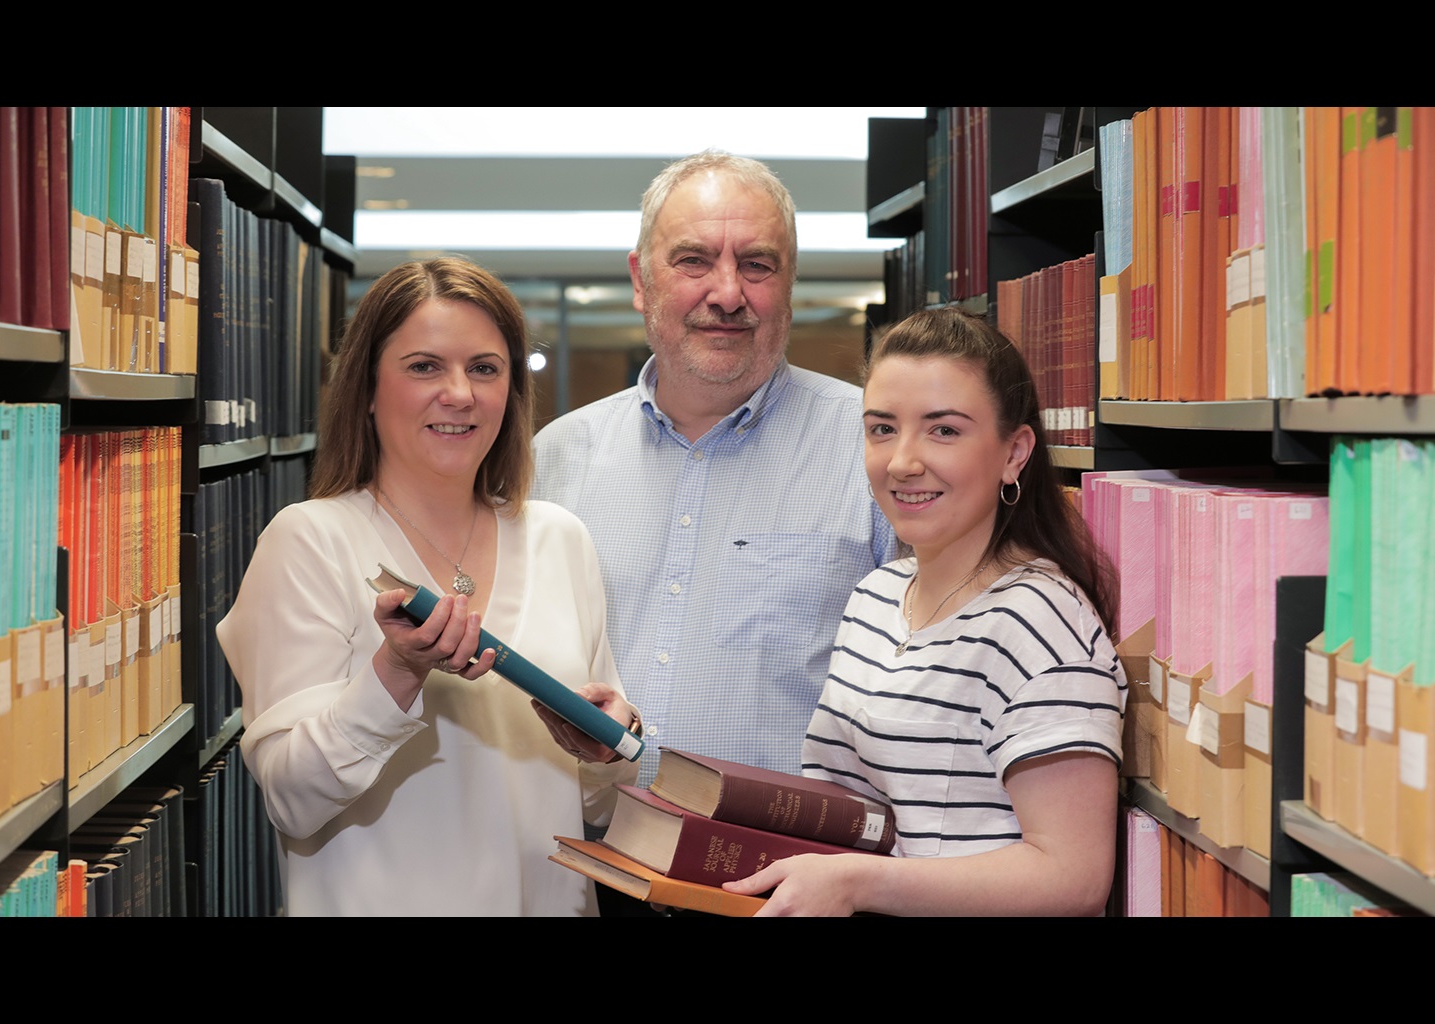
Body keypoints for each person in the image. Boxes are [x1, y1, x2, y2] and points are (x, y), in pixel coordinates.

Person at [217, 257, 637, 917]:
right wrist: (396, 673)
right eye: (424, 366)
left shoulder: (561, 539)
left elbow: (599, 803)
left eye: (485, 368)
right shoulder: (310, 542)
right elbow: (291, 800)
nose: (460, 393)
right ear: (368, 389)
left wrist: (608, 751)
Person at [724, 307, 1127, 916]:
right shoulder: (877, 596)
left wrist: (858, 884)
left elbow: (1072, 875)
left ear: (1015, 452)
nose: (903, 461)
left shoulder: (1040, 621)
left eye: (943, 430)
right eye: (882, 429)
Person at [532, 150, 898, 797]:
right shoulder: (555, 460)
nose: (727, 294)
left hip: (791, 879)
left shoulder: (875, 450)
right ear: (640, 280)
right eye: (694, 261)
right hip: (595, 876)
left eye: (757, 265)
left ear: (789, 284)